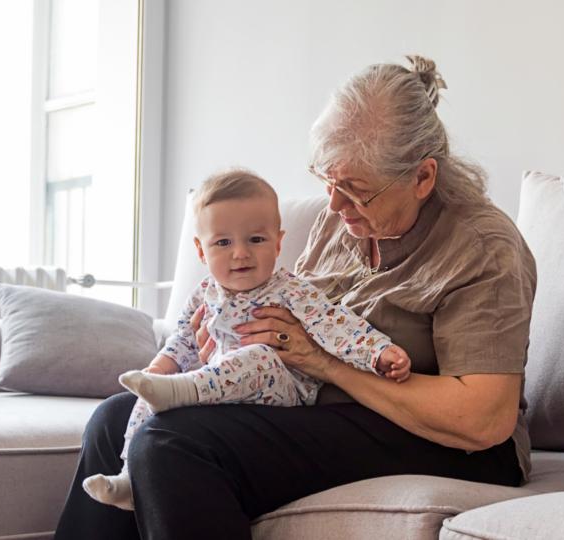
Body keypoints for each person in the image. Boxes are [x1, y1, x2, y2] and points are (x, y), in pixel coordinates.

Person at [55, 55, 536, 540]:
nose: (333, 204)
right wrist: (225, 352)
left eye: (354, 190)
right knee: (114, 420)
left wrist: (324, 364)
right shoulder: (342, 221)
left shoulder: (480, 247)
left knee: (170, 444)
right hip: (319, 408)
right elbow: (289, 321)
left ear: (422, 178)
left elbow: (483, 418)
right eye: (326, 179)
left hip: (450, 444)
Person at [80, 169, 412, 511]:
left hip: (279, 393)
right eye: (223, 243)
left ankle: (184, 391)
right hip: (219, 393)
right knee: (147, 390)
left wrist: (379, 352)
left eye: (256, 240)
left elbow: (337, 325)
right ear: (200, 250)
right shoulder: (203, 294)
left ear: (278, 242)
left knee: (258, 356)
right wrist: (160, 367)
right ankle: (126, 477)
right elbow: (182, 341)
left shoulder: (290, 290)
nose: (240, 253)